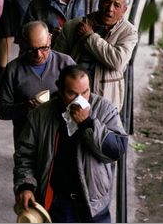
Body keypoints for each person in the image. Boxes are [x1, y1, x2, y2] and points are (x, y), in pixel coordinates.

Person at [14, 65, 128, 222]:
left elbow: (117, 150)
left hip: (93, 203)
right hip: (58, 202)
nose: (79, 100)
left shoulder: (104, 110)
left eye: (85, 92)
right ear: (60, 90)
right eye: (72, 93)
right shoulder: (40, 115)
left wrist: (87, 124)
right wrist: (25, 186)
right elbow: (25, 156)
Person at [53, 0, 138, 111]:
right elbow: (56, 62)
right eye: (106, 2)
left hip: (106, 101)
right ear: (99, 2)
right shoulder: (73, 26)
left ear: (124, 10)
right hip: (72, 97)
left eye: (117, 5)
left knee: (101, 131)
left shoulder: (129, 32)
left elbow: (117, 61)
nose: (110, 9)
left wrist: (89, 37)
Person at [0, 21, 75, 150]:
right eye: (32, 49)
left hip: (60, 138)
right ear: (23, 44)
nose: (39, 55)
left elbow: (83, 98)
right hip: (27, 140)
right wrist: (25, 107)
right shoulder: (13, 70)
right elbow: (1, 111)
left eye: (44, 48)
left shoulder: (65, 63)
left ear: (50, 39)